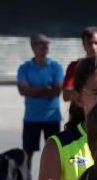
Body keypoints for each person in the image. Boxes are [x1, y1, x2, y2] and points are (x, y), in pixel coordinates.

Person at [16, 33, 64, 171]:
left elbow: (57, 91)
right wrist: (45, 88)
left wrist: (34, 90)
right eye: (41, 43)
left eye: (47, 44)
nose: (45, 46)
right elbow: (23, 91)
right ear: (33, 47)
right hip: (32, 118)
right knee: (27, 154)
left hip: (52, 118)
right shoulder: (24, 68)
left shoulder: (56, 67)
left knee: (55, 154)